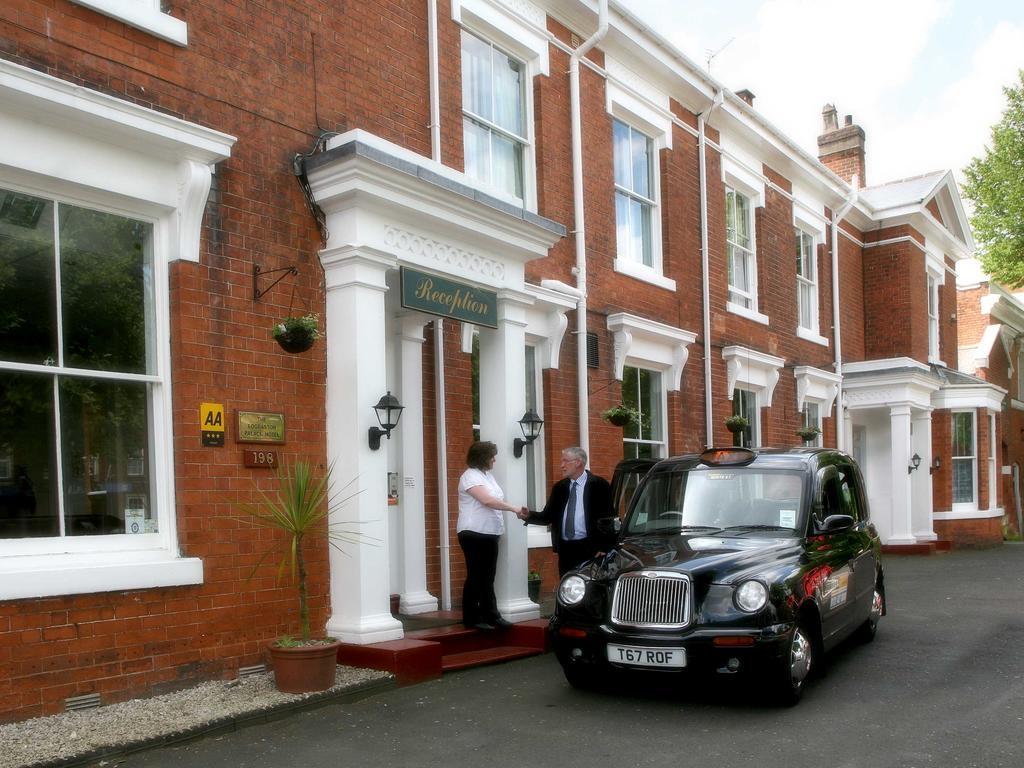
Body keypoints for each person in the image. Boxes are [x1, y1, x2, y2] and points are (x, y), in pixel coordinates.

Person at [457, 440, 526, 630]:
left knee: (488, 576)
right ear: (482, 458)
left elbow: (494, 499)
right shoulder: (470, 476)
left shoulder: (487, 476)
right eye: (491, 456)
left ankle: (491, 615)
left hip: (490, 533)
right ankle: (472, 617)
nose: (494, 459)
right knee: (476, 575)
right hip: (473, 532)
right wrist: (514, 508)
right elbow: (487, 500)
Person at [518, 447, 615, 576]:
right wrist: (529, 515)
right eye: (561, 461)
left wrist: (605, 547)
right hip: (565, 549)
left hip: (590, 549)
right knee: (566, 588)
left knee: (590, 589)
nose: (562, 465)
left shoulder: (599, 485)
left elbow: (609, 519)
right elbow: (547, 516)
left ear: (578, 462)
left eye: (565, 461)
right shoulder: (559, 488)